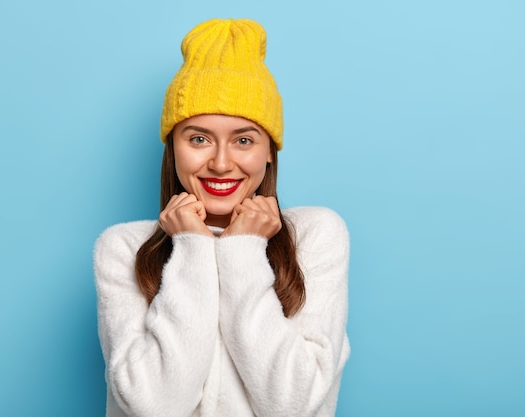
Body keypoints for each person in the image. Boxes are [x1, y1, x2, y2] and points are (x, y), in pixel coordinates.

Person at [94, 18, 350, 417]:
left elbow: (293, 405)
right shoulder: (124, 248)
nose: (220, 163)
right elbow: (154, 406)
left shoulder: (315, 235)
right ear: (173, 148)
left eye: (244, 140)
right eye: (198, 138)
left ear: (269, 150)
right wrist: (193, 247)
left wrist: (244, 250)